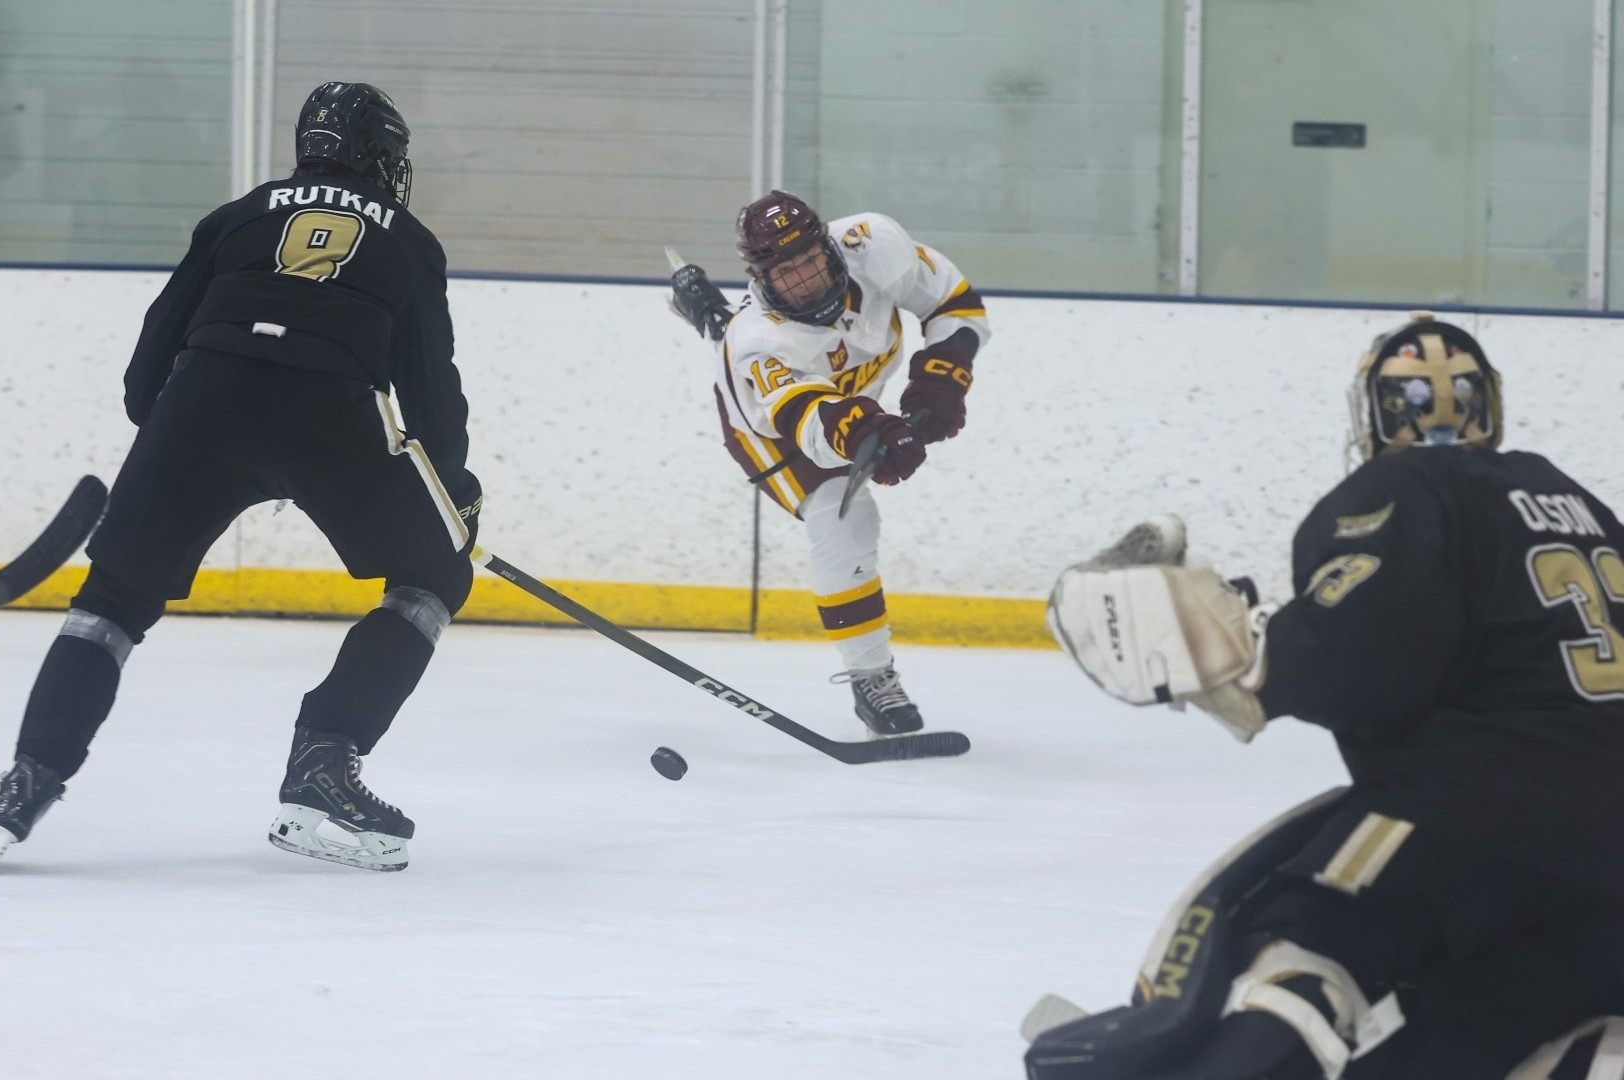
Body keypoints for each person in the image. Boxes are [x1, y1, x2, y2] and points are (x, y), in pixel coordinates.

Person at [1034, 313, 1624, 1078]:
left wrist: (1253, 658)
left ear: (1376, 412)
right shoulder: (1577, 503)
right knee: (1492, 1020)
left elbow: (1368, 663)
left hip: (1472, 816)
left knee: (1300, 933)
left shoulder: (1403, 485)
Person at [0, 82, 481, 874]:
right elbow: (432, 389)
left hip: (200, 405)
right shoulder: (408, 239)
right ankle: (324, 762)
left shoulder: (238, 214)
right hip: (331, 415)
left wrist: (177, 443)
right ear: (380, 157)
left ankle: (23, 788)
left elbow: (146, 370)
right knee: (434, 577)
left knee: (111, 602)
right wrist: (454, 493)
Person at [667, 191, 990, 735]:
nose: (805, 280)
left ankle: (708, 314)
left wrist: (945, 370)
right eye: (786, 272)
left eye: (810, 260)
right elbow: (809, 422)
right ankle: (871, 678)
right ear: (761, 278)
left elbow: (953, 301)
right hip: (770, 430)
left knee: (851, 492)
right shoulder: (758, 342)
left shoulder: (873, 243)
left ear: (829, 245)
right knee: (844, 517)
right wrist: (864, 432)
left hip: (847, 398)